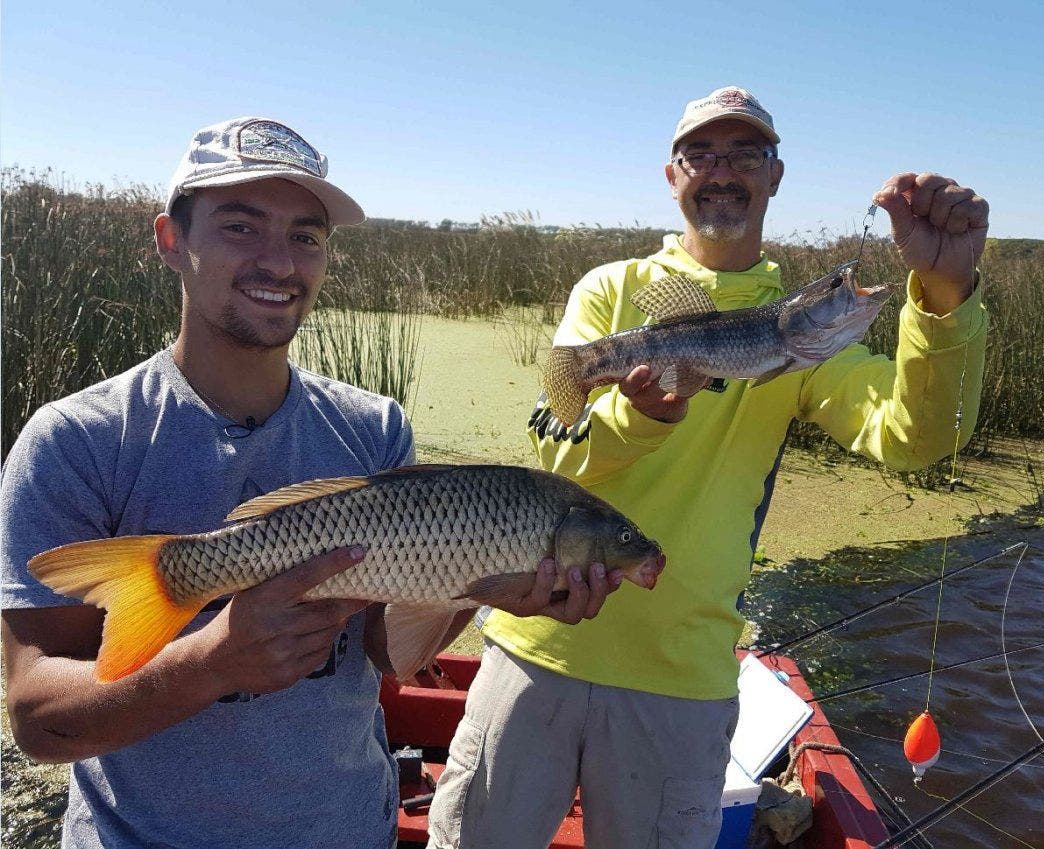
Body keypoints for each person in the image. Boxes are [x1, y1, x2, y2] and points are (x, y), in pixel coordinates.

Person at [0, 117, 615, 849]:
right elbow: (39, 719)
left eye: (306, 236)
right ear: (171, 240)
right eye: (241, 225)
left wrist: (480, 586)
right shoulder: (77, 440)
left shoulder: (373, 428)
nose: (279, 262)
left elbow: (390, 652)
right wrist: (213, 659)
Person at [427, 86, 990, 848]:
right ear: (673, 174)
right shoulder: (611, 291)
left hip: (681, 684)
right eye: (702, 153)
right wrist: (647, 410)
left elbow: (914, 435)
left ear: (775, 174)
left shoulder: (800, 338)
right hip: (535, 646)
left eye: (745, 154)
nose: (721, 171)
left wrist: (945, 296)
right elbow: (557, 447)